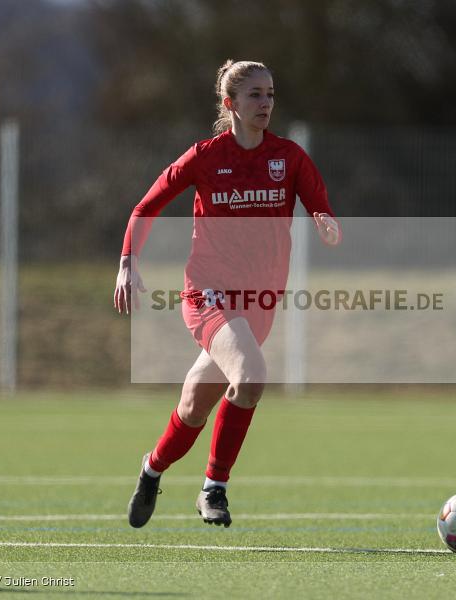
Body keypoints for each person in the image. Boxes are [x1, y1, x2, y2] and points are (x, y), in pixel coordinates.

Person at [113, 59, 340, 529]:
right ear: (229, 103)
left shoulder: (290, 158)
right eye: (255, 94)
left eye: (271, 94)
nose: (265, 103)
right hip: (207, 293)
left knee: (195, 407)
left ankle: (151, 468)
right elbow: (145, 207)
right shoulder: (204, 156)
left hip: (258, 303)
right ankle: (214, 487)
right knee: (253, 375)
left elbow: (320, 204)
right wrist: (126, 261)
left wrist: (325, 220)